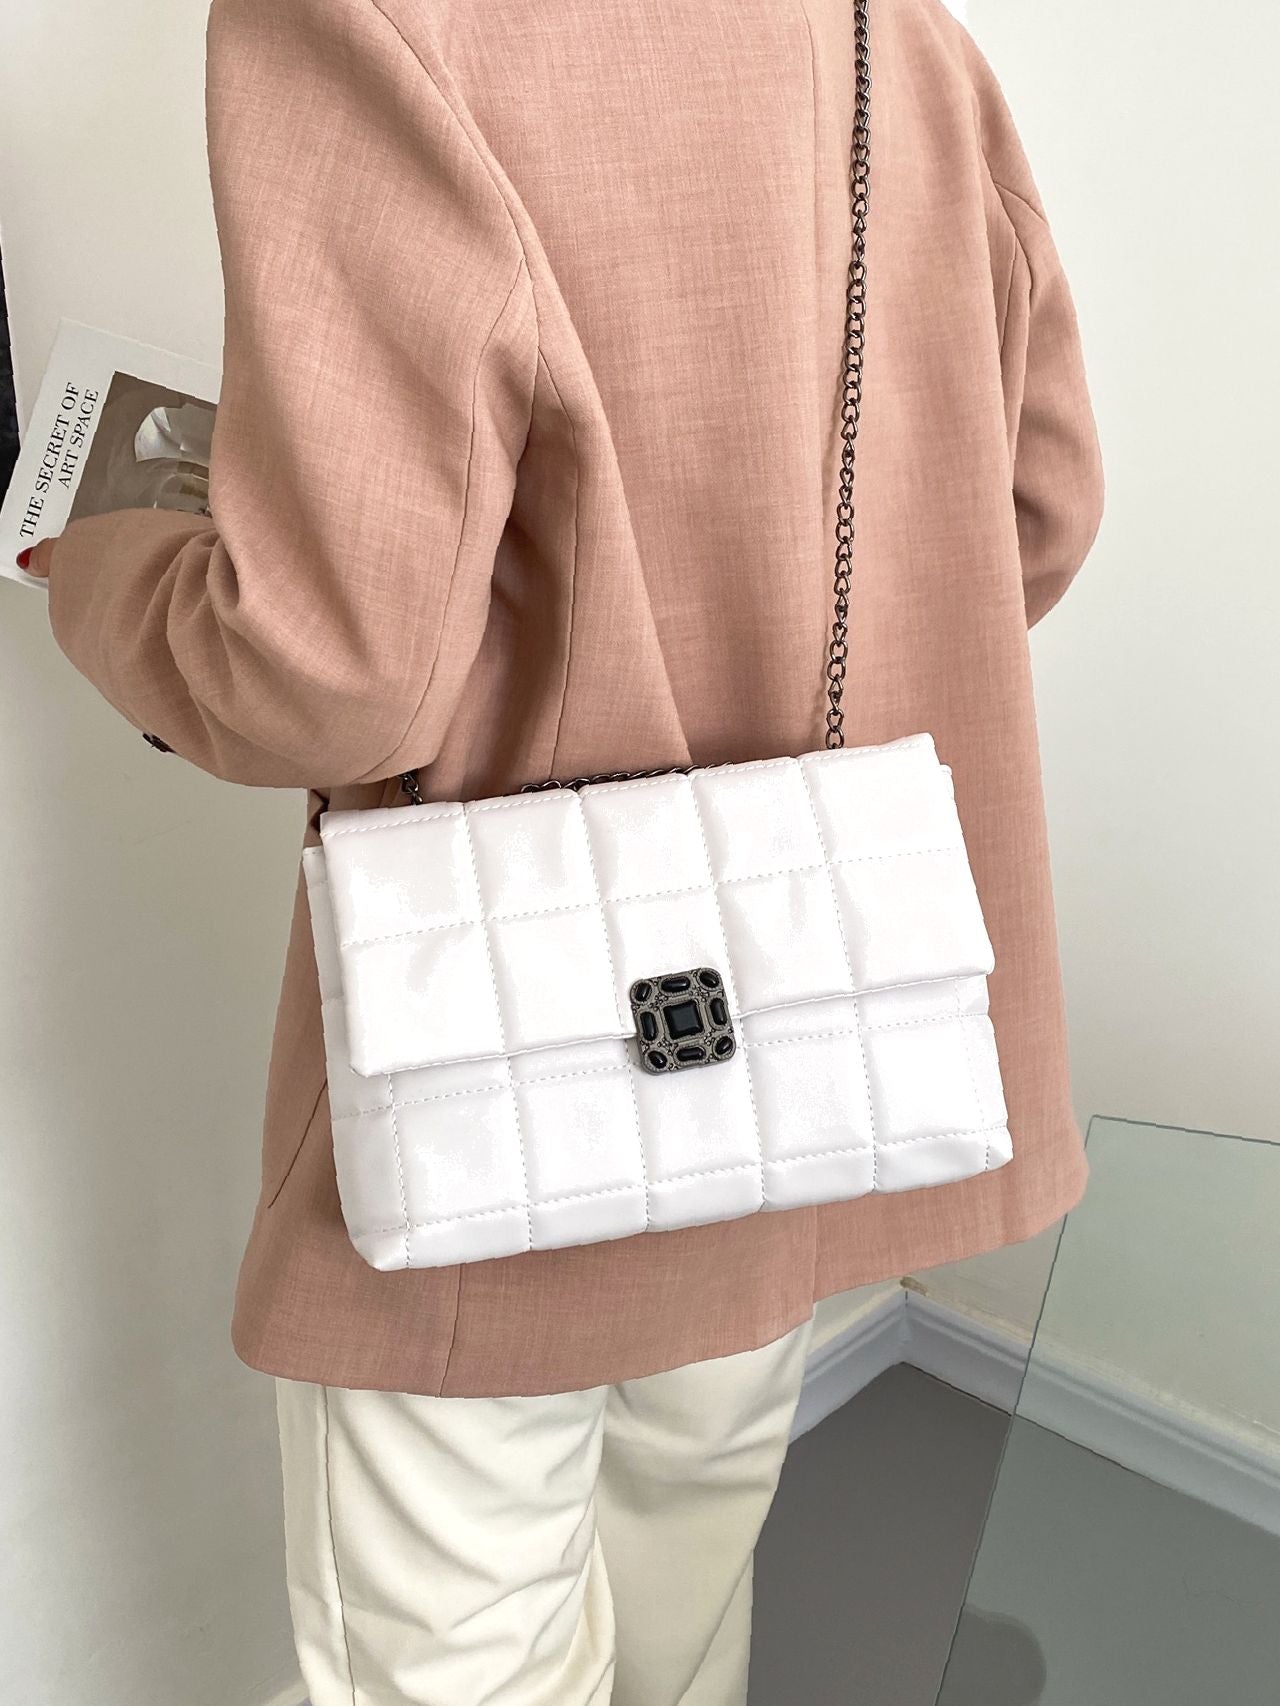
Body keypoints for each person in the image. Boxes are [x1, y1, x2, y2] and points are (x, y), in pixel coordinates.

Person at [24, 0, 1103, 1699]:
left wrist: (98, 554)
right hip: (793, 1048)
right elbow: (1035, 510)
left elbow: (330, 669)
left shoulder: (362, 26)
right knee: (686, 1593)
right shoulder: (887, 29)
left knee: (454, 1658)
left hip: (490, 1080)